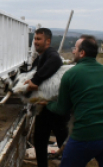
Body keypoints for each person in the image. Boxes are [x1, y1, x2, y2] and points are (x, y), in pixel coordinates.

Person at [46, 35, 103, 167]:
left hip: (86, 134)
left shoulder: (71, 74)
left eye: (75, 48)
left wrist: (47, 103)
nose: (73, 51)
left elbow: (62, 109)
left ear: (82, 53)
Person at [24, 28, 70, 167]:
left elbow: (56, 61)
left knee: (63, 141)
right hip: (43, 108)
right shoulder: (40, 58)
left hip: (56, 109)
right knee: (39, 141)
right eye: (35, 39)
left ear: (48, 41)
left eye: (39, 39)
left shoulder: (51, 54)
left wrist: (36, 80)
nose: (36, 42)